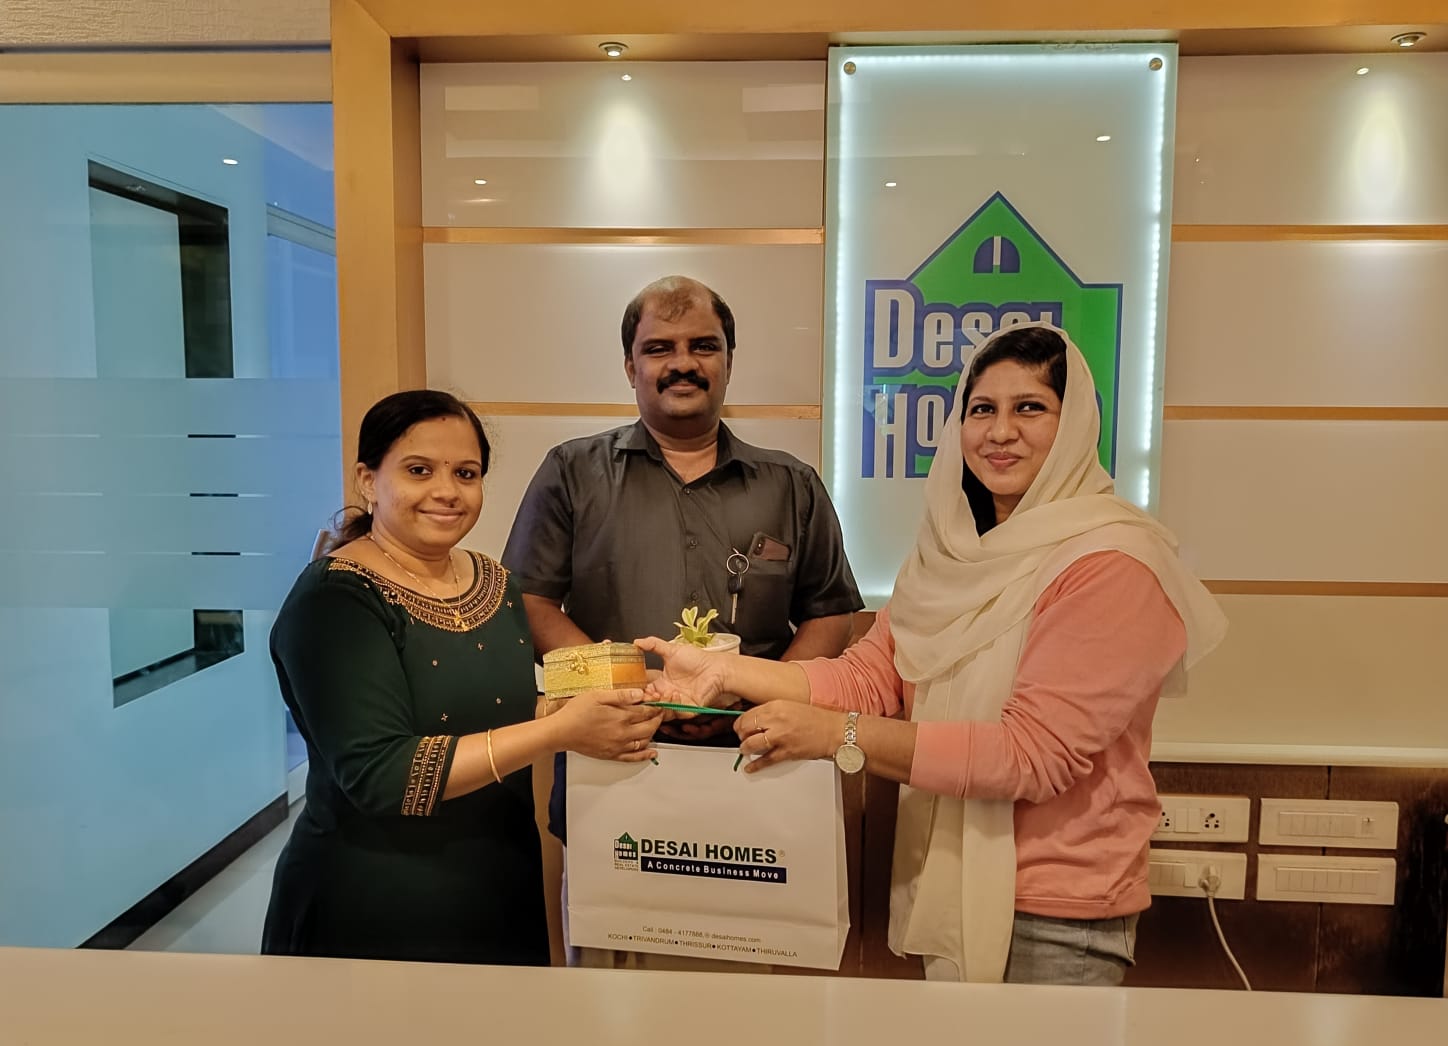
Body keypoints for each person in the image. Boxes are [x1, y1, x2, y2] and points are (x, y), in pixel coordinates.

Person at [641, 323, 1227, 986]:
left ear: (1074, 425)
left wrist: (838, 736)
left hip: (1059, 918)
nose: (1000, 431)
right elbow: (871, 678)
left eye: (1029, 407)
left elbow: (1031, 755)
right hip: (946, 884)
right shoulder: (950, 555)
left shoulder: (1113, 563)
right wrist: (723, 670)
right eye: (982, 409)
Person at [502, 275, 864, 967]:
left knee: (753, 997)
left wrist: (755, 697)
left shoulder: (790, 484)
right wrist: (627, 689)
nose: (683, 363)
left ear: (729, 360)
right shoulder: (572, 473)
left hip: (757, 770)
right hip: (615, 764)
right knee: (613, 1003)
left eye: (704, 345)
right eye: (659, 348)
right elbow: (531, 602)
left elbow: (830, 613)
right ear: (630, 365)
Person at [262, 390, 661, 966]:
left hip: (500, 884)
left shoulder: (494, 583)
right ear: (369, 480)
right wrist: (559, 731)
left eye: (466, 473)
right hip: (374, 904)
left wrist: (574, 712)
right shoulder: (335, 600)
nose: (447, 491)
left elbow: (492, 713)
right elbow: (382, 775)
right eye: (419, 470)